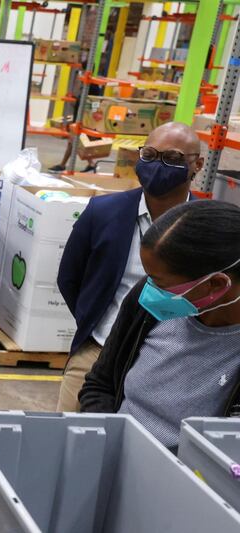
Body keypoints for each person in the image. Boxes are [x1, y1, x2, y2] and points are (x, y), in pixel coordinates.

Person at [56, 122, 203, 412]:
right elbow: (69, 277)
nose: (158, 166)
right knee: (71, 442)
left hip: (173, 365)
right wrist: (95, 325)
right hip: (97, 354)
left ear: (197, 164)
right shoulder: (102, 213)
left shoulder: (206, 227)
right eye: (149, 155)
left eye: (172, 159)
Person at [80, 201, 240, 450]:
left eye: (160, 283)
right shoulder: (147, 306)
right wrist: (105, 442)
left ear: (216, 285)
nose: (149, 289)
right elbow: (100, 384)